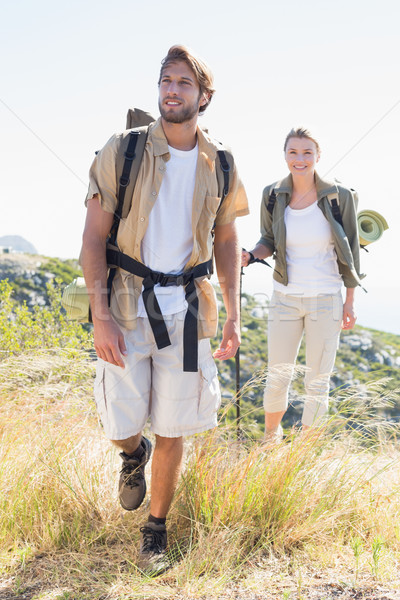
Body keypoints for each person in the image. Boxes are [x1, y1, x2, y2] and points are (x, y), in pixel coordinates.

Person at [80, 45, 249, 574]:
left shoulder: (220, 162)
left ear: (203, 97)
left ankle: (155, 530)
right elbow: (91, 238)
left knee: (175, 424)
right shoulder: (123, 150)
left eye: (183, 83)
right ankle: (133, 455)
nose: (172, 90)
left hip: (190, 313)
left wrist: (233, 311)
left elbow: (226, 238)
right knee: (119, 420)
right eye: (165, 80)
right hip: (126, 305)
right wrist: (100, 314)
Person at [242, 127, 363, 441]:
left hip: (326, 298)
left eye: (307, 152)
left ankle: (302, 454)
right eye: (293, 152)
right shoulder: (272, 194)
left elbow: (350, 250)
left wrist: (350, 301)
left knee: (318, 381)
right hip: (285, 298)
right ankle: (271, 441)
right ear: (285, 156)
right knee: (277, 375)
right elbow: (267, 240)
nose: (300, 158)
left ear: (318, 156)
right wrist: (251, 256)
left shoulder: (339, 195)